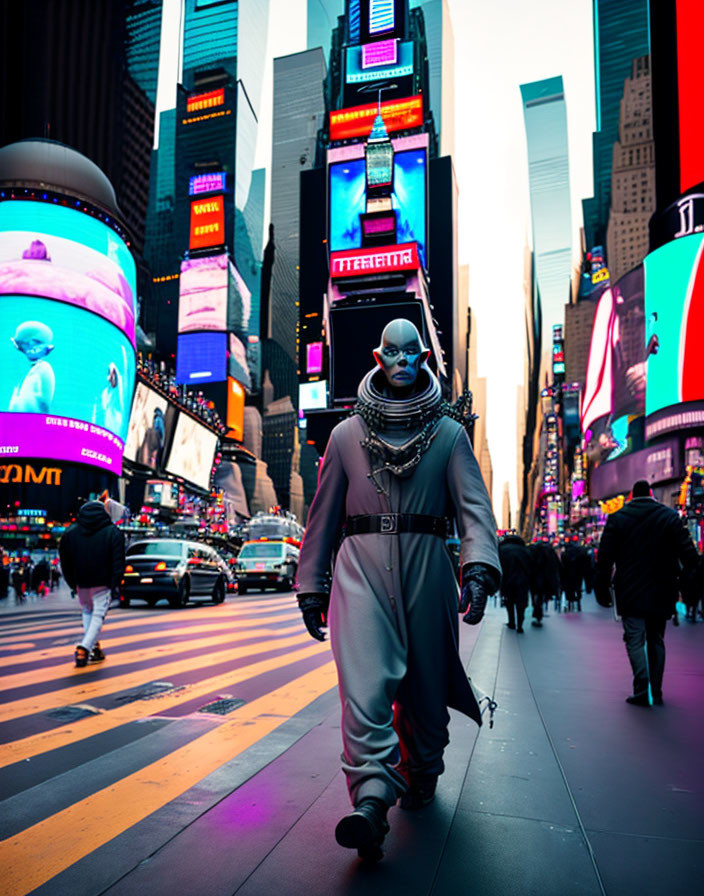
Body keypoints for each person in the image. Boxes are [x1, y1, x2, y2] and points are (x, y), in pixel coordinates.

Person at [296, 319, 500, 861]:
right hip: (358, 571)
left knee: (426, 691)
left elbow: (476, 512)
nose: (404, 360)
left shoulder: (450, 436)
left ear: (424, 358)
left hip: (429, 569)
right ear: (378, 356)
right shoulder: (344, 437)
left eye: (413, 352)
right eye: (394, 352)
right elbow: (320, 519)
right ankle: (370, 802)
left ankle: (423, 768)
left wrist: (477, 568)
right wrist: (311, 585)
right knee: (363, 691)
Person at [595, 479, 699, 706]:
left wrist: (601, 589)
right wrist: (689, 582)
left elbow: (604, 559)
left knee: (634, 638)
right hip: (663, 588)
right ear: (652, 494)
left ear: (631, 495)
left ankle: (641, 686)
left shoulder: (617, 518)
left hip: (629, 589)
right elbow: (689, 555)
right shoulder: (669, 517)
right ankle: (657, 690)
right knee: (656, 638)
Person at [58, 499, 125, 667]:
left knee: (87, 612)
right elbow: (118, 561)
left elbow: (65, 562)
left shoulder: (69, 533)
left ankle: (95, 648)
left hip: (81, 582)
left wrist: (72, 583)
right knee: (97, 615)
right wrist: (115, 583)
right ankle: (84, 648)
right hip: (102, 582)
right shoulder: (113, 532)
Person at [498, 534, 532, 632]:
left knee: (509, 601)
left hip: (507, 579)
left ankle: (511, 621)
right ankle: (520, 625)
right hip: (522, 581)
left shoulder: (502, 550)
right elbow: (530, 566)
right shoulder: (525, 550)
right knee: (521, 602)